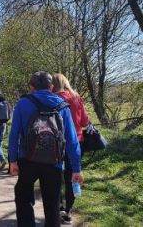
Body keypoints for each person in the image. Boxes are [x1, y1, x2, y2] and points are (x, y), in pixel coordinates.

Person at [9, 71, 84, 227]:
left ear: (31, 87)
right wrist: (76, 168)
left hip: (27, 160)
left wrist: (13, 161)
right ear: (51, 87)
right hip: (54, 162)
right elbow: (72, 140)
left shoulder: (22, 103)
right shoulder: (63, 105)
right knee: (52, 204)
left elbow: (14, 134)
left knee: (22, 196)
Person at [53, 73, 89, 225]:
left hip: (57, 143)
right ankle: (68, 211)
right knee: (72, 176)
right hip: (76, 142)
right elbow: (85, 121)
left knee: (55, 175)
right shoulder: (76, 97)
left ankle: (58, 207)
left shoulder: (53, 99)